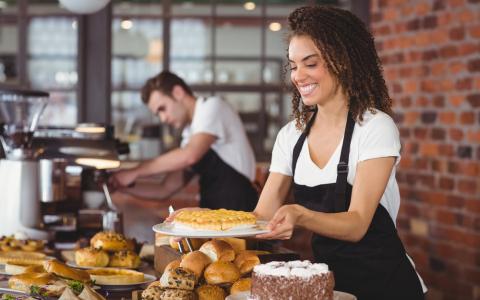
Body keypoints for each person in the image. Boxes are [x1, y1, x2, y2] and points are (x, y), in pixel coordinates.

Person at [253, 6, 427, 300]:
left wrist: (300, 215)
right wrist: (199, 227)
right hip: (332, 288)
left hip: (387, 286)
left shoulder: (374, 127)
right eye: (293, 65)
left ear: (342, 62)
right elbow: (260, 217)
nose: (298, 76)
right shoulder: (291, 136)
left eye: (310, 63)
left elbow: (357, 223)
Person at [109, 71, 258, 211]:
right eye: (158, 114)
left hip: (240, 214)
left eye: (163, 108)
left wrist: (135, 172)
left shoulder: (212, 107)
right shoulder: (190, 134)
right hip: (213, 219)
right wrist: (121, 186)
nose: (163, 118)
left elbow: (190, 155)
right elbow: (165, 189)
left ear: (178, 93)